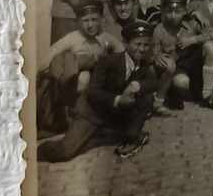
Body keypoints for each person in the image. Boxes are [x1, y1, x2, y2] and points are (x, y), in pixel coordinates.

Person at [38, 19, 158, 162]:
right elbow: (93, 92)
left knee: (146, 98)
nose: (142, 49)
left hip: (113, 114)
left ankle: (130, 135)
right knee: (65, 152)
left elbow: (153, 83)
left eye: (145, 45)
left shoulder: (144, 64)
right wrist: (118, 100)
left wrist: (137, 86)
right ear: (126, 44)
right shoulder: (109, 62)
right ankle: (33, 153)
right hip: (92, 112)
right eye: (137, 44)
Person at [36, 0, 123, 135]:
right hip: (73, 85)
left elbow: (123, 55)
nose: (90, 25)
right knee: (82, 76)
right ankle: (72, 117)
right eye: (85, 20)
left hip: (99, 86)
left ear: (101, 19)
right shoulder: (72, 38)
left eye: (94, 19)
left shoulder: (107, 39)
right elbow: (48, 57)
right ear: (78, 21)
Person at [150, 0, 194, 112]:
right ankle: (158, 101)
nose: (173, 16)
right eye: (169, 11)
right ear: (164, 12)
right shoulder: (159, 30)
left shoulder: (190, 26)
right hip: (164, 70)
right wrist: (156, 56)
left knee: (183, 82)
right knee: (169, 65)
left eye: (177, 12)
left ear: (185, 11)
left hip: (183, 68)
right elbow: (154, 53)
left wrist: (194, 39)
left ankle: (173, 95)